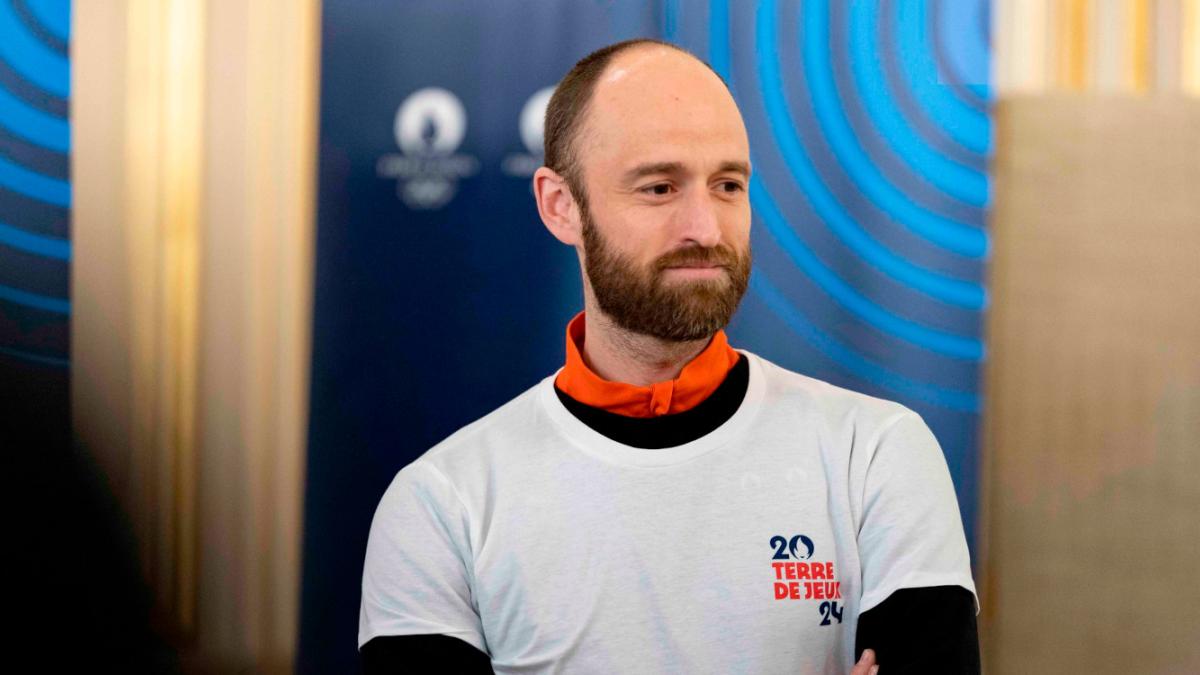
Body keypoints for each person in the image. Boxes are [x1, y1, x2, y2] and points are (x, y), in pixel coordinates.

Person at [359, 39, 979, 674]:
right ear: (560, 206)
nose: (705, 229)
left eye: (728, 185)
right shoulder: (443, 504)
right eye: (659, 187)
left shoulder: (872, 454)